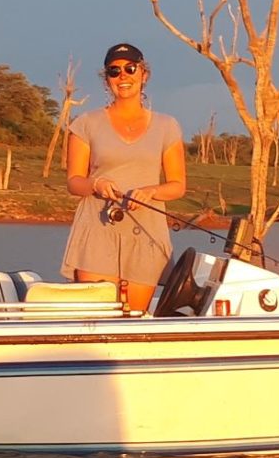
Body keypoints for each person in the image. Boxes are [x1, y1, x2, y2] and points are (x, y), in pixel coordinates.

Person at [62, 42, 187, 313]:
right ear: (106, 80)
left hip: (146, 232)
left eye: (130, 69)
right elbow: (74, 181)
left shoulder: (167, 126)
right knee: (97, 318)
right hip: (98, 230)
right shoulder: (86, 123)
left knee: (135, 318)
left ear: (144, 74)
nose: (123, 77)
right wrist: (96, 183)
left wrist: (150, 192)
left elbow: (177, 186)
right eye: (114, 71)